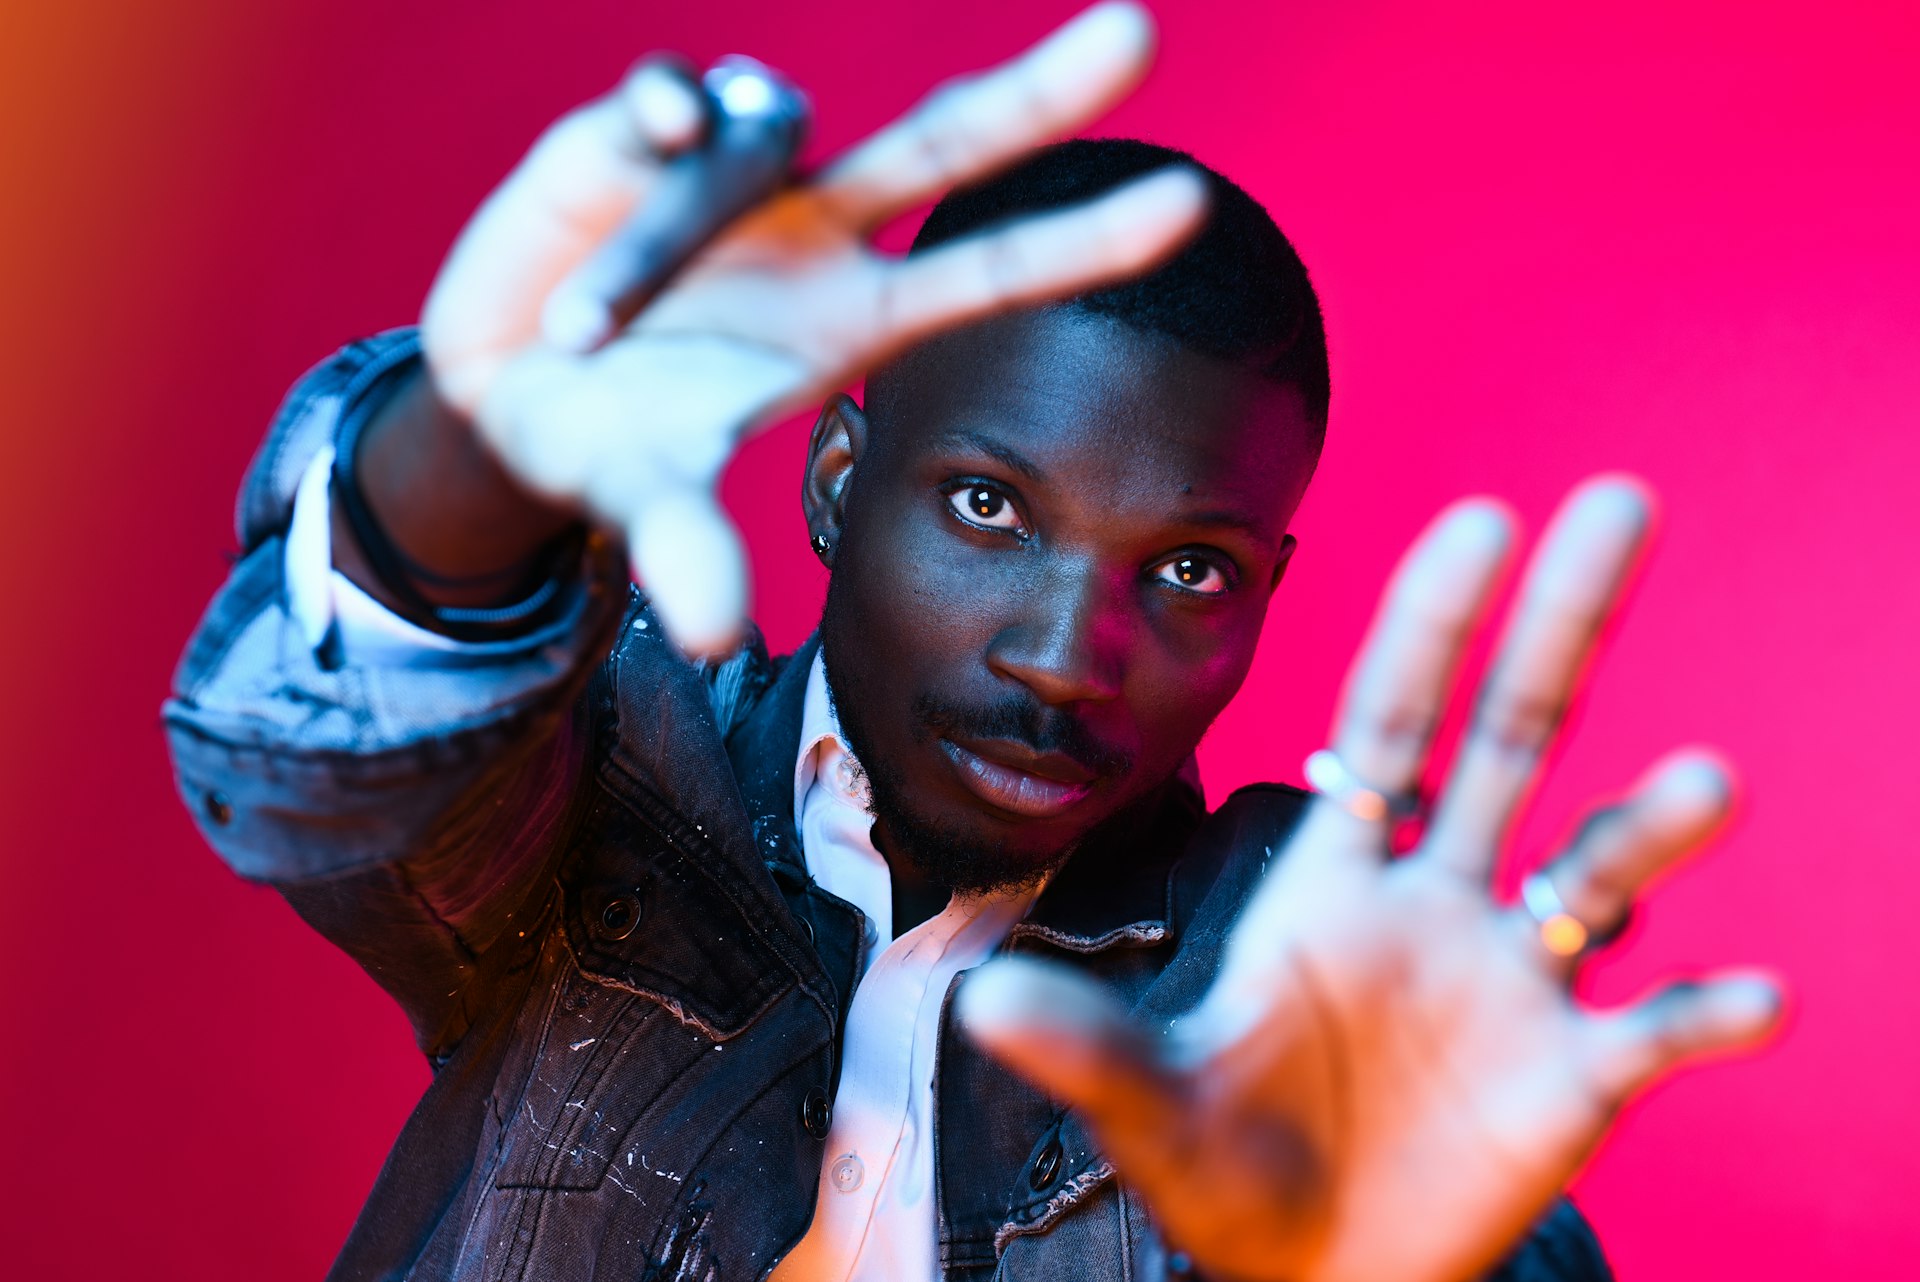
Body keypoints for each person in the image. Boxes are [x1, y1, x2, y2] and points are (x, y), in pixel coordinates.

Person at [163, 5, 1781, 1280]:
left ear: (1266, 604)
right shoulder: (607, 781)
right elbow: (312, 762)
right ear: (838, 481)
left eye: (1192, 570)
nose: (1073, 654)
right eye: (994, 508)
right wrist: (472, 464)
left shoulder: (1283, 975)